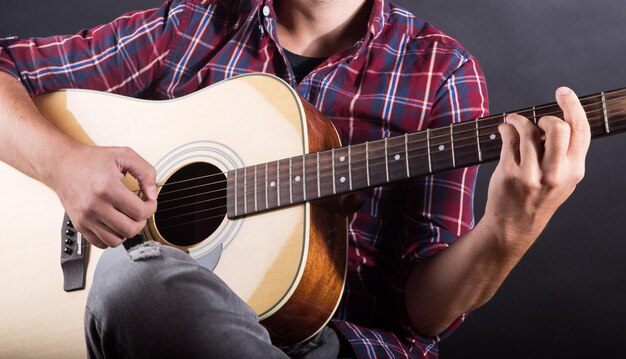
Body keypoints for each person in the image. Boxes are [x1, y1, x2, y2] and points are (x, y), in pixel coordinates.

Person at [0, 0, 590, 358]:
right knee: (132, 284)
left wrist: (510, 229)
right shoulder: (194, 25)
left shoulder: (441, 70)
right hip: (155, 321)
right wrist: (62, 165)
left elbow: (423, 313)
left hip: (330, 347)